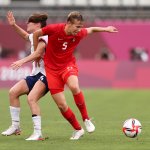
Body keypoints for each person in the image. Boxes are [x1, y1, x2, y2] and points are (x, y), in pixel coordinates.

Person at [12, 11, 118, 140]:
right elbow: (36, 34)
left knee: (74, 86)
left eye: (80, 27)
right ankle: (78, 130)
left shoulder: (79, 33)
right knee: (62, 105)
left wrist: (106, 29)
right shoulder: (54, 29)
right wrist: (36, 52)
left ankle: (86, 119)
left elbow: (91, 29)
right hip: (51, 71)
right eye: (77, 27)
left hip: (67, 65)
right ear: (68, 23)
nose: (79, 30)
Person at [1, 11, 49, 141]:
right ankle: (15, 126)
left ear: (38, 24)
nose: (27, 23)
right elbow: (25, 35)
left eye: (30, 22)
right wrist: (13, 25)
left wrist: (22, 61)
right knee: (13, 92)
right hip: (35, 74)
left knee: (32, 99)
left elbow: (39, 53)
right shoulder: (34, 35)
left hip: (47, 75)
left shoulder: (44, 36)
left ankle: (38, 133)